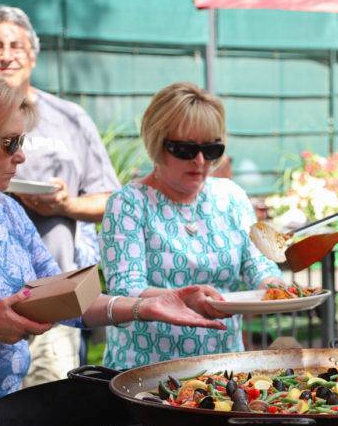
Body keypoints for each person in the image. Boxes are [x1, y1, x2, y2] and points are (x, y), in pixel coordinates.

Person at [0, 71, 228, 406]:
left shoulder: (4, 212)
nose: (21, 155)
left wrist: (147, 306)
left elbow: (64, 298)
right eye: (9, 142)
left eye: (22, 141)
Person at [0, 5, 121, 386]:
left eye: (16, 46)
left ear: (33, 56)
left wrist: (67, 205)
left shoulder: (68, 117)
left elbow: (112, 202)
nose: (6, 55)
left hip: (53, 295)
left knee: (44, 403)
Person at [100, 82, 283, 369]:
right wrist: (184, 298)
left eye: (211, 149)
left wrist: (274, 286)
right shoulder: (129, 203)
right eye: (185, 149)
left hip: (223, 368)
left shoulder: (231, 197)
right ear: (157, 143)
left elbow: (259, 266)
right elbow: (126, 289)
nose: (200, 161)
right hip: (147, 372)